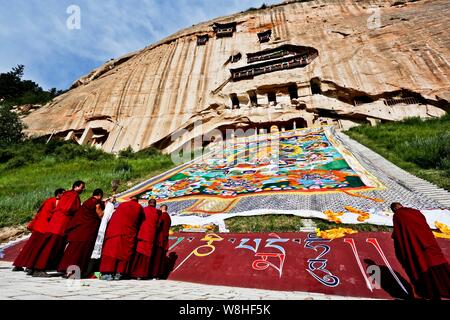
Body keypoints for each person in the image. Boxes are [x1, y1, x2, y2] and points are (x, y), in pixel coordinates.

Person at [391, 202, 450, 300]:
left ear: (394, 209)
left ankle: (428, 292)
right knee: (438, 262)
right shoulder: (416, 212)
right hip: (429, 242)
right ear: (401, 205)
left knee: (420, 266)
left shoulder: (397, 215)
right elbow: (424, 225)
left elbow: (399, 233)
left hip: (415, 246)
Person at [29, 181, 85, 277]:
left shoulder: (66, 194)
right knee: (49, 248)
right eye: (82, 187)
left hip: (54, 224)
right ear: (76, 187)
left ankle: (33, 268)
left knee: (46, 246)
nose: (83, 189)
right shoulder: (73, 195)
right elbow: (68, 209)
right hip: (60, 225)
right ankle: (38, 269)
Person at [12, 188, 65, 272]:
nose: (65, 196)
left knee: (30, 246)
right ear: (58, 194)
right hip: (42, 227)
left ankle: (19, 265)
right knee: (35, 247)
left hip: (40, 226)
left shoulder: (52, 201)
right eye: (63, 194)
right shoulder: (52, 201)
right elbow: (47, 214)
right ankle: (29, 266)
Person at [57, 189, 104, 278]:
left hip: (79, 231)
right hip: (87, 232)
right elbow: (100, 214)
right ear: (99, 195)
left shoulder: (87, 202)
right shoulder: (96, 202)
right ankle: (73, 272)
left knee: (72, 251)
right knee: (81, 253)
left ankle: (66, 270)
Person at [99, 197, 144, 280]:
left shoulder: (122, 204)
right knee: (124, 252)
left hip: (115, 230)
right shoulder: (139, 207)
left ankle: (107, 273)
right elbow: (140, 220)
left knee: (111, 251)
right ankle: (119, 273)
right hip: (129, 232)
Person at [86, 196, 117, 277]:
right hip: (101, 232)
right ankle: (90, 271)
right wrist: (110, 203)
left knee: (95, 253)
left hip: (100, 232)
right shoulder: (108, 211)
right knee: (96, 253)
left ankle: (90, 271)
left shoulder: (107, 211)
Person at [129, 199, 159, 279]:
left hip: (142, 235)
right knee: (146, 256)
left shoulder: (143, 210)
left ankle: (135, 274)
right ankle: (143, 274)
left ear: (148, 203)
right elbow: (158, 225)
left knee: (139, 255)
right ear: (155, 204)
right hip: (151, 237)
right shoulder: (157, 212)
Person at [150, 204, 172, 279]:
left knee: (157, 257)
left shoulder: (163, 216)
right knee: (161, 257)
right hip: (164, 239)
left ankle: (155, 274)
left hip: (160, 239)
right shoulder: (168, 217)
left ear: (161, 208)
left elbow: (158, 226)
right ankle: (159, 274)